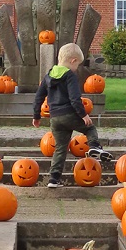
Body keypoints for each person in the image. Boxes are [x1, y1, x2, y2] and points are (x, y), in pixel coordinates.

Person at [33, 42, 113, 188]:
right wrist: (83, 115)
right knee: (89, 128)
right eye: (78, 65)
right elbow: (75, 99)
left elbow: (39, 96)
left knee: (60, 148)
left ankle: (53, 179)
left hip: (55, 118)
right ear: (73, 61)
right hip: (69, 113)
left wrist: (36, 116)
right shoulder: (69, 76)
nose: (77, 68)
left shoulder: (48, 75)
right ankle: (95, 146)